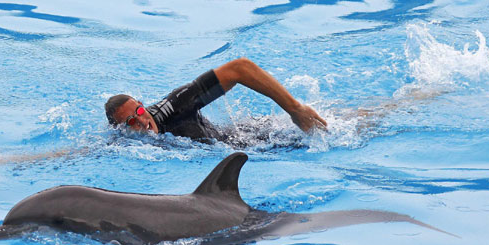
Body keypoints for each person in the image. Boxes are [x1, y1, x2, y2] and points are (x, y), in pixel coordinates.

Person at [104, 58, 327, 142]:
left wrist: (295, 109)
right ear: (120, 129)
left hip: (257, 142)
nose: (142, 122)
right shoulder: (123, 142)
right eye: (131, 122)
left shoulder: (176, 106)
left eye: (140, 113)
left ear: (143, 107)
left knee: (329, 129)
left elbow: (240, 68)